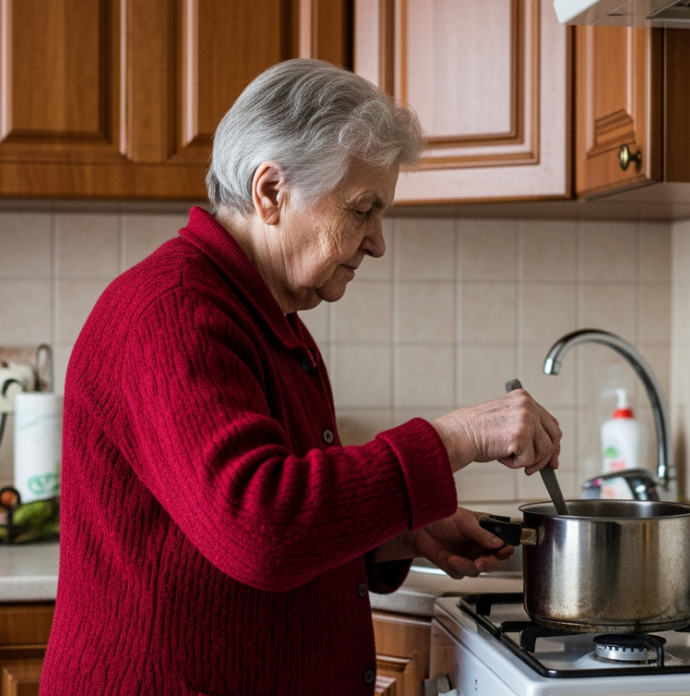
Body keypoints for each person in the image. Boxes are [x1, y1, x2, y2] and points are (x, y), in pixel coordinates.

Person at [40, 59, 562, 695]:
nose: (377, 242)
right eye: (362, 209)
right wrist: (457, 438)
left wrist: (398, 534)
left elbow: (256, 526)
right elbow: (262, 529)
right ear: (271, 193)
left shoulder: (265, 315)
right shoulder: (173, 312)